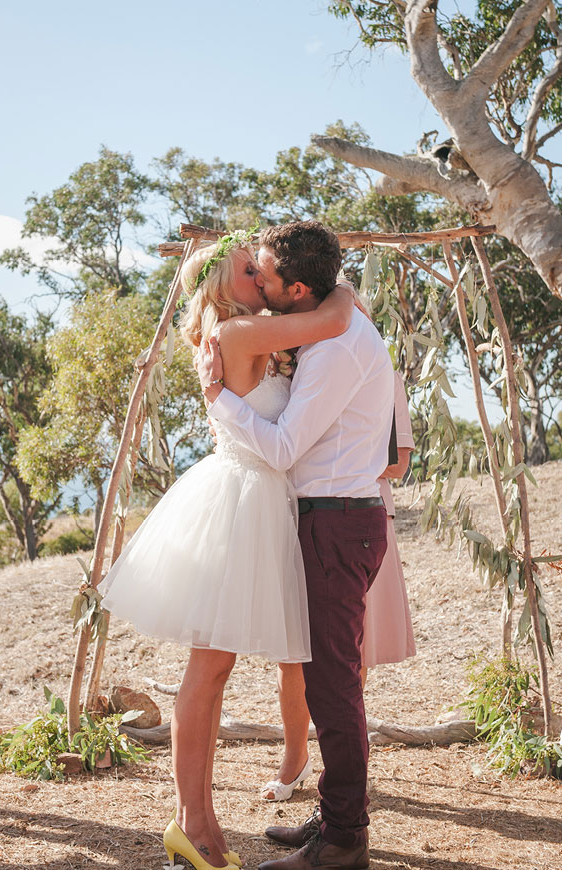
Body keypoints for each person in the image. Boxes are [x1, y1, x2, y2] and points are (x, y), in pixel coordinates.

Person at [98, 226, 355, 870]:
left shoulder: (246, 336)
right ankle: (192, 823)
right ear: (223, 288)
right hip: (238, 506)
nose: (262, 280)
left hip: (261, 504)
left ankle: (202, 824)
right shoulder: (238, 336)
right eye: (250, 271)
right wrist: (339, 280)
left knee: (217, 672)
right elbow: (333, 318)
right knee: (207, 673)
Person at [198, 221, 395, 870]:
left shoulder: (334, 349)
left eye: (267, 277)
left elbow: (283, 447)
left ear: (299, 290)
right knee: (326, 682)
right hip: (333, 520)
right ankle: (333, 816)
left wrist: (217, 399)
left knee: (333, 687)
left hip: (336, 524)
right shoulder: (326, 325)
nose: (260, 282)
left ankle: (344, 842)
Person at [261, 371, 416, 802]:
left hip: (361, 513)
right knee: (292, 650)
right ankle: (295, 757)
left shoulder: (385, 376)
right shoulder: (298, 371)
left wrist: (337, 458)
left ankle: (340, 766)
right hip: (298, 514)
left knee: (351, 652)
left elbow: (399, 461)